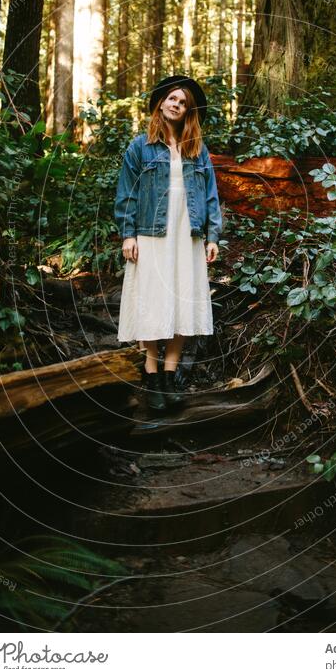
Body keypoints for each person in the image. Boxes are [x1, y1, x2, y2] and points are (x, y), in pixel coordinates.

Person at [114, 75, 222, 415]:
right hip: (151, 232)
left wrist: (213, 235)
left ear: (188, 112)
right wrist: (128, 233)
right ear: (161, 102)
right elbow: (126, 193)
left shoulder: (197, 149)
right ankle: (151, 375)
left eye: (183, 103)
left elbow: (211, 195)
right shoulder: (139, 147)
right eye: (172, 99)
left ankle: (171, 373)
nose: (176, 105)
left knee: (180, 297)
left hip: (187, 233)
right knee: (152, 299)